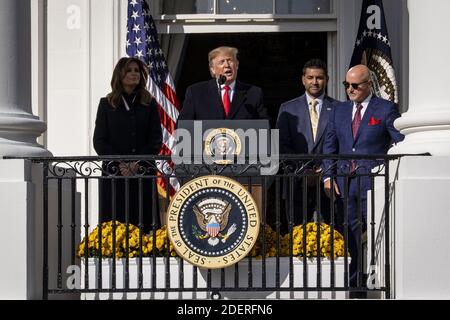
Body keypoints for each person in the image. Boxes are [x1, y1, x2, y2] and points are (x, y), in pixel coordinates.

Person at [322, 64, 404, 293]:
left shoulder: (386, 109)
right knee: (351, 237)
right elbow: (329, 147)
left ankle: (385, 284)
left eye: (356, 85)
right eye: (346, 85)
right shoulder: (338, 110)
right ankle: (355, 288)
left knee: (380, 234)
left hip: (374, 183)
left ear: (369, 84)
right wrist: (328, 177)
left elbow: (399, 142)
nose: (350, 89)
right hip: (344, 185)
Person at [93, 57, 163, 232]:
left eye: (137, 71)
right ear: (120, 75)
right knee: (116, 220)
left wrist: (136, 164)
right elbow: (100, 141)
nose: (134, 74)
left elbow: (155, 139)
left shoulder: (149, 104)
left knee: (144, 219)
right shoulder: (107, 104)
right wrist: (121, 164)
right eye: (129, 70)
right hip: (115, 173)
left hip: (143, 171)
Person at [276, 59, 340, 227]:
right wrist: (304, 171)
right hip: (297, 183)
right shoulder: (287, 108)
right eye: (310, 77)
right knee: (297, 235)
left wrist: (322, 172)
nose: (314, 82)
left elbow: (340, 144)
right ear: (303, 79)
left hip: (327, 182)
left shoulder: (339, 108)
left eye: (319, 78)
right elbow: (282, 145)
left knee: (333, 233)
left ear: (326, 79)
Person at [177, 46, 268, 120]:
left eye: (230, 60)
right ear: (212, 69)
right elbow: (183, 127)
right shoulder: (196, 92)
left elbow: (264, 127)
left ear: (237, 65)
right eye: (222, 62)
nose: (227, 65)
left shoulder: (254, 93)